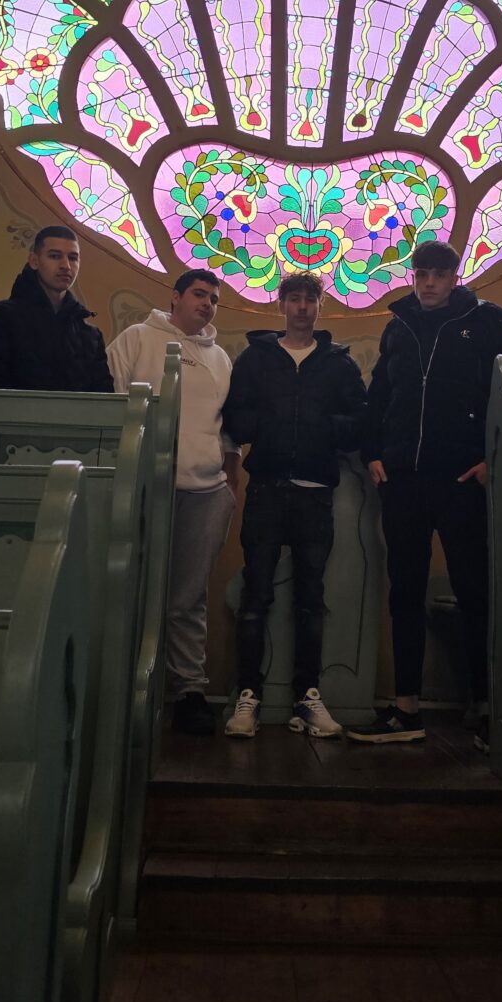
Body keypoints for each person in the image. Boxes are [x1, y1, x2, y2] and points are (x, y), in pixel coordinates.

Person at [349, 239, 502, 748]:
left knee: (473, 589)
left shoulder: (485, 325)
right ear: (413, 275)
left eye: (438, 275)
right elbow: (380, 395)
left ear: (454, 277)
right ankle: (406, 709)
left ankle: (485, 705)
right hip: (403, 478)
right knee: (405, 589)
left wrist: (492, 457)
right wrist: (373, 451)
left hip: (462, 478)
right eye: (421, 274)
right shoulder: (398, 325)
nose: (428, 283)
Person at [221, 272, 366, 739]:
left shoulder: (338, 363)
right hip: (266, 487)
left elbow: (359, 420)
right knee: (255, 596)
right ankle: (248, 696)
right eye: (295, 299)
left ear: (321, 306)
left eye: (310, 300)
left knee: (310, 600)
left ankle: (308, 697)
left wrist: (323, 426)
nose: (302, 307)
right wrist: (268, 424)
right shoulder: (256, 358)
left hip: (315, 492)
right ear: (281, 304)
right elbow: (235, 416)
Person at [108, 271, 240, 736]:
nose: (207, 304)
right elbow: (111, 405)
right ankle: (121, 687)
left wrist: (230, 481)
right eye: (199, 295)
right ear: (176, 297)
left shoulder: (220, 358)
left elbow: (228, 427)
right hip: (144, 484)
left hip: (205, 492)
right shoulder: (137, 338)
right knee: (132, 587)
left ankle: (189, 691)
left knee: (188, 597)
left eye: (214, 299)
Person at [0, 225, 113, 392]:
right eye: (55, 256)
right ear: (34, 261)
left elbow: (103, 400)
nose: (66, 265)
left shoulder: (90, 336)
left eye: (73, 258)